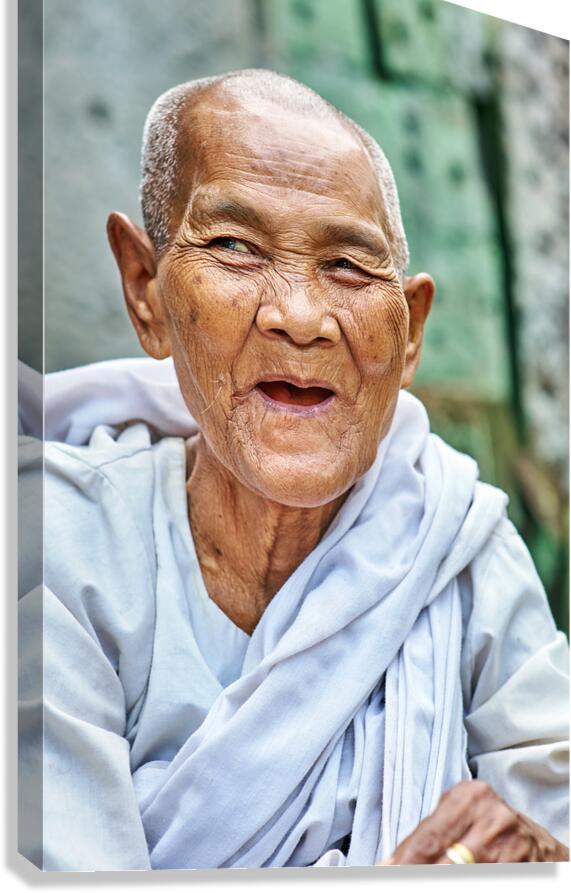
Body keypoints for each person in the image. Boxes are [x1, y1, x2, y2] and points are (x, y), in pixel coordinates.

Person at [18, 69, 569, 870]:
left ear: (409, 331)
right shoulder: (54, 545)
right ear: (146, 290)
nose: (301, 317)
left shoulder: (456, 549)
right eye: (235, 247)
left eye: (348, 265)